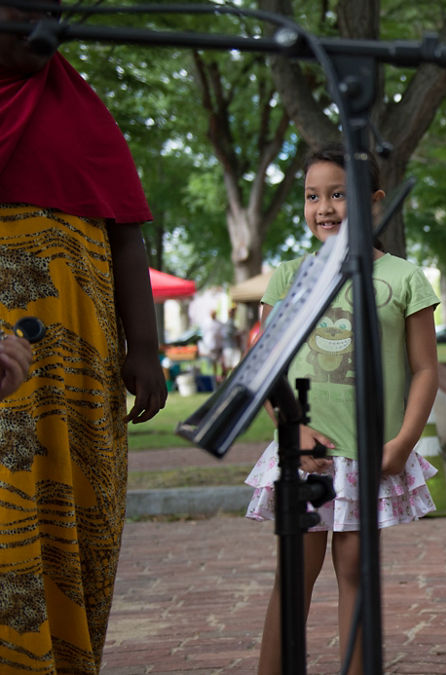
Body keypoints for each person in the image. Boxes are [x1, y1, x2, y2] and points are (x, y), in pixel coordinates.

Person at [0, 6, 168, 672]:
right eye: (23, 9)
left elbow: (127, 234)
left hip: (82, 375)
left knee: (76, 521)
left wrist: (145, 347)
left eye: (54, 12)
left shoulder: (84, 112)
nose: (44, 23)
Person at [244, 147, 440, 674]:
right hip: (305, 452)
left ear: (374, 203)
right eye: (313, 196)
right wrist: (293, 429)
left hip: (370, 453)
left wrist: (403, 442)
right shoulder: (290, 277)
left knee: (355, 571)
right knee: (294, 577)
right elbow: (263, 368)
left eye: (338, 194)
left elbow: (425, 369)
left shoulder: (403, 278)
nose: (324, 207)